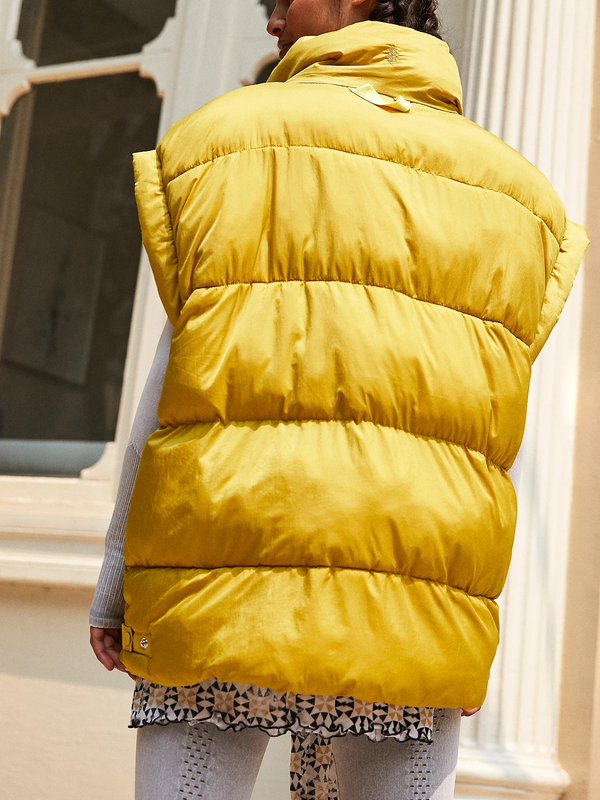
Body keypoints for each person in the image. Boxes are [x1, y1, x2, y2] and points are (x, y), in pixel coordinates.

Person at [89, 0, 589, 798]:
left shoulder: (228, 139)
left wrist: (118, 577)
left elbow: (173, 376)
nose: (271, 20)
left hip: (222, 576)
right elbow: (491, 434)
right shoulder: (521, 197)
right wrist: (468, 626)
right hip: (414, 606)